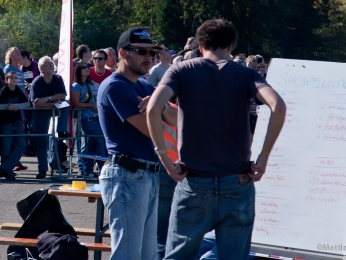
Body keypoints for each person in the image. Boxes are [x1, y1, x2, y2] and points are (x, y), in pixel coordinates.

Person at [147, 19, 286, 259]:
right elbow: (278, 106)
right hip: (237, 181)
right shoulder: (246, 74)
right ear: (231, 46)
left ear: (200, 46)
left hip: (193, 180)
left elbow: (152, 109)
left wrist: (165, 159)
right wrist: (263, 157)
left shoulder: (181, 70)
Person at [96, 27, 166, 260]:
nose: (149, 58)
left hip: (146, 173)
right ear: (123, 53)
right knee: (128, 255)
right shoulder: (115, 85)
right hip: (127, 174)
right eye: (142, 51)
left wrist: (160, 108)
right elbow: (152, 130)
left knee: (148, 256)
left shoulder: (145, 86)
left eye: (152, 53)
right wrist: (159, 114)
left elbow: (177, 120)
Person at [29, 56, 67, 179]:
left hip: (53, 107)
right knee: (42, 141)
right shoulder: (37, 82)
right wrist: (53, 103)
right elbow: (36, 103)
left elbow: (63, 95)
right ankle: (42, 169)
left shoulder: (57, 78)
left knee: (67, 105)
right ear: (41, 69)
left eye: (51, 63)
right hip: (41, 112)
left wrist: (47, 99)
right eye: (48, 64)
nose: (51, 65)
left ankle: (62, 130)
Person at [0, 71, 31, 180]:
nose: (14, 80)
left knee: (21, 145)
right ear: (6, 80)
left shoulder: (18, 90)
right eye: (12, 78)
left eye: (16, 78)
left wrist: (15, 106)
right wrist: (7, 107)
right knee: (6, 147)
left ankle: (4, 168)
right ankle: (8, 171)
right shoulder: (4, 90)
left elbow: (27, 104)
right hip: (6, 123)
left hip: (17, 122)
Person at [70, 62, 105, 178]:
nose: (87, 69)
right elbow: (77, 103)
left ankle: (87, 170)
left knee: (89, 145)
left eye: (87, 67)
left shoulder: (93, 84)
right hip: (85, 119)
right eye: (83, 67)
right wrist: (91, 105)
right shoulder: (76, 86)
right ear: (78, 71)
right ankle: (102, 169)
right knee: (99, 142)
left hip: (96, 117)